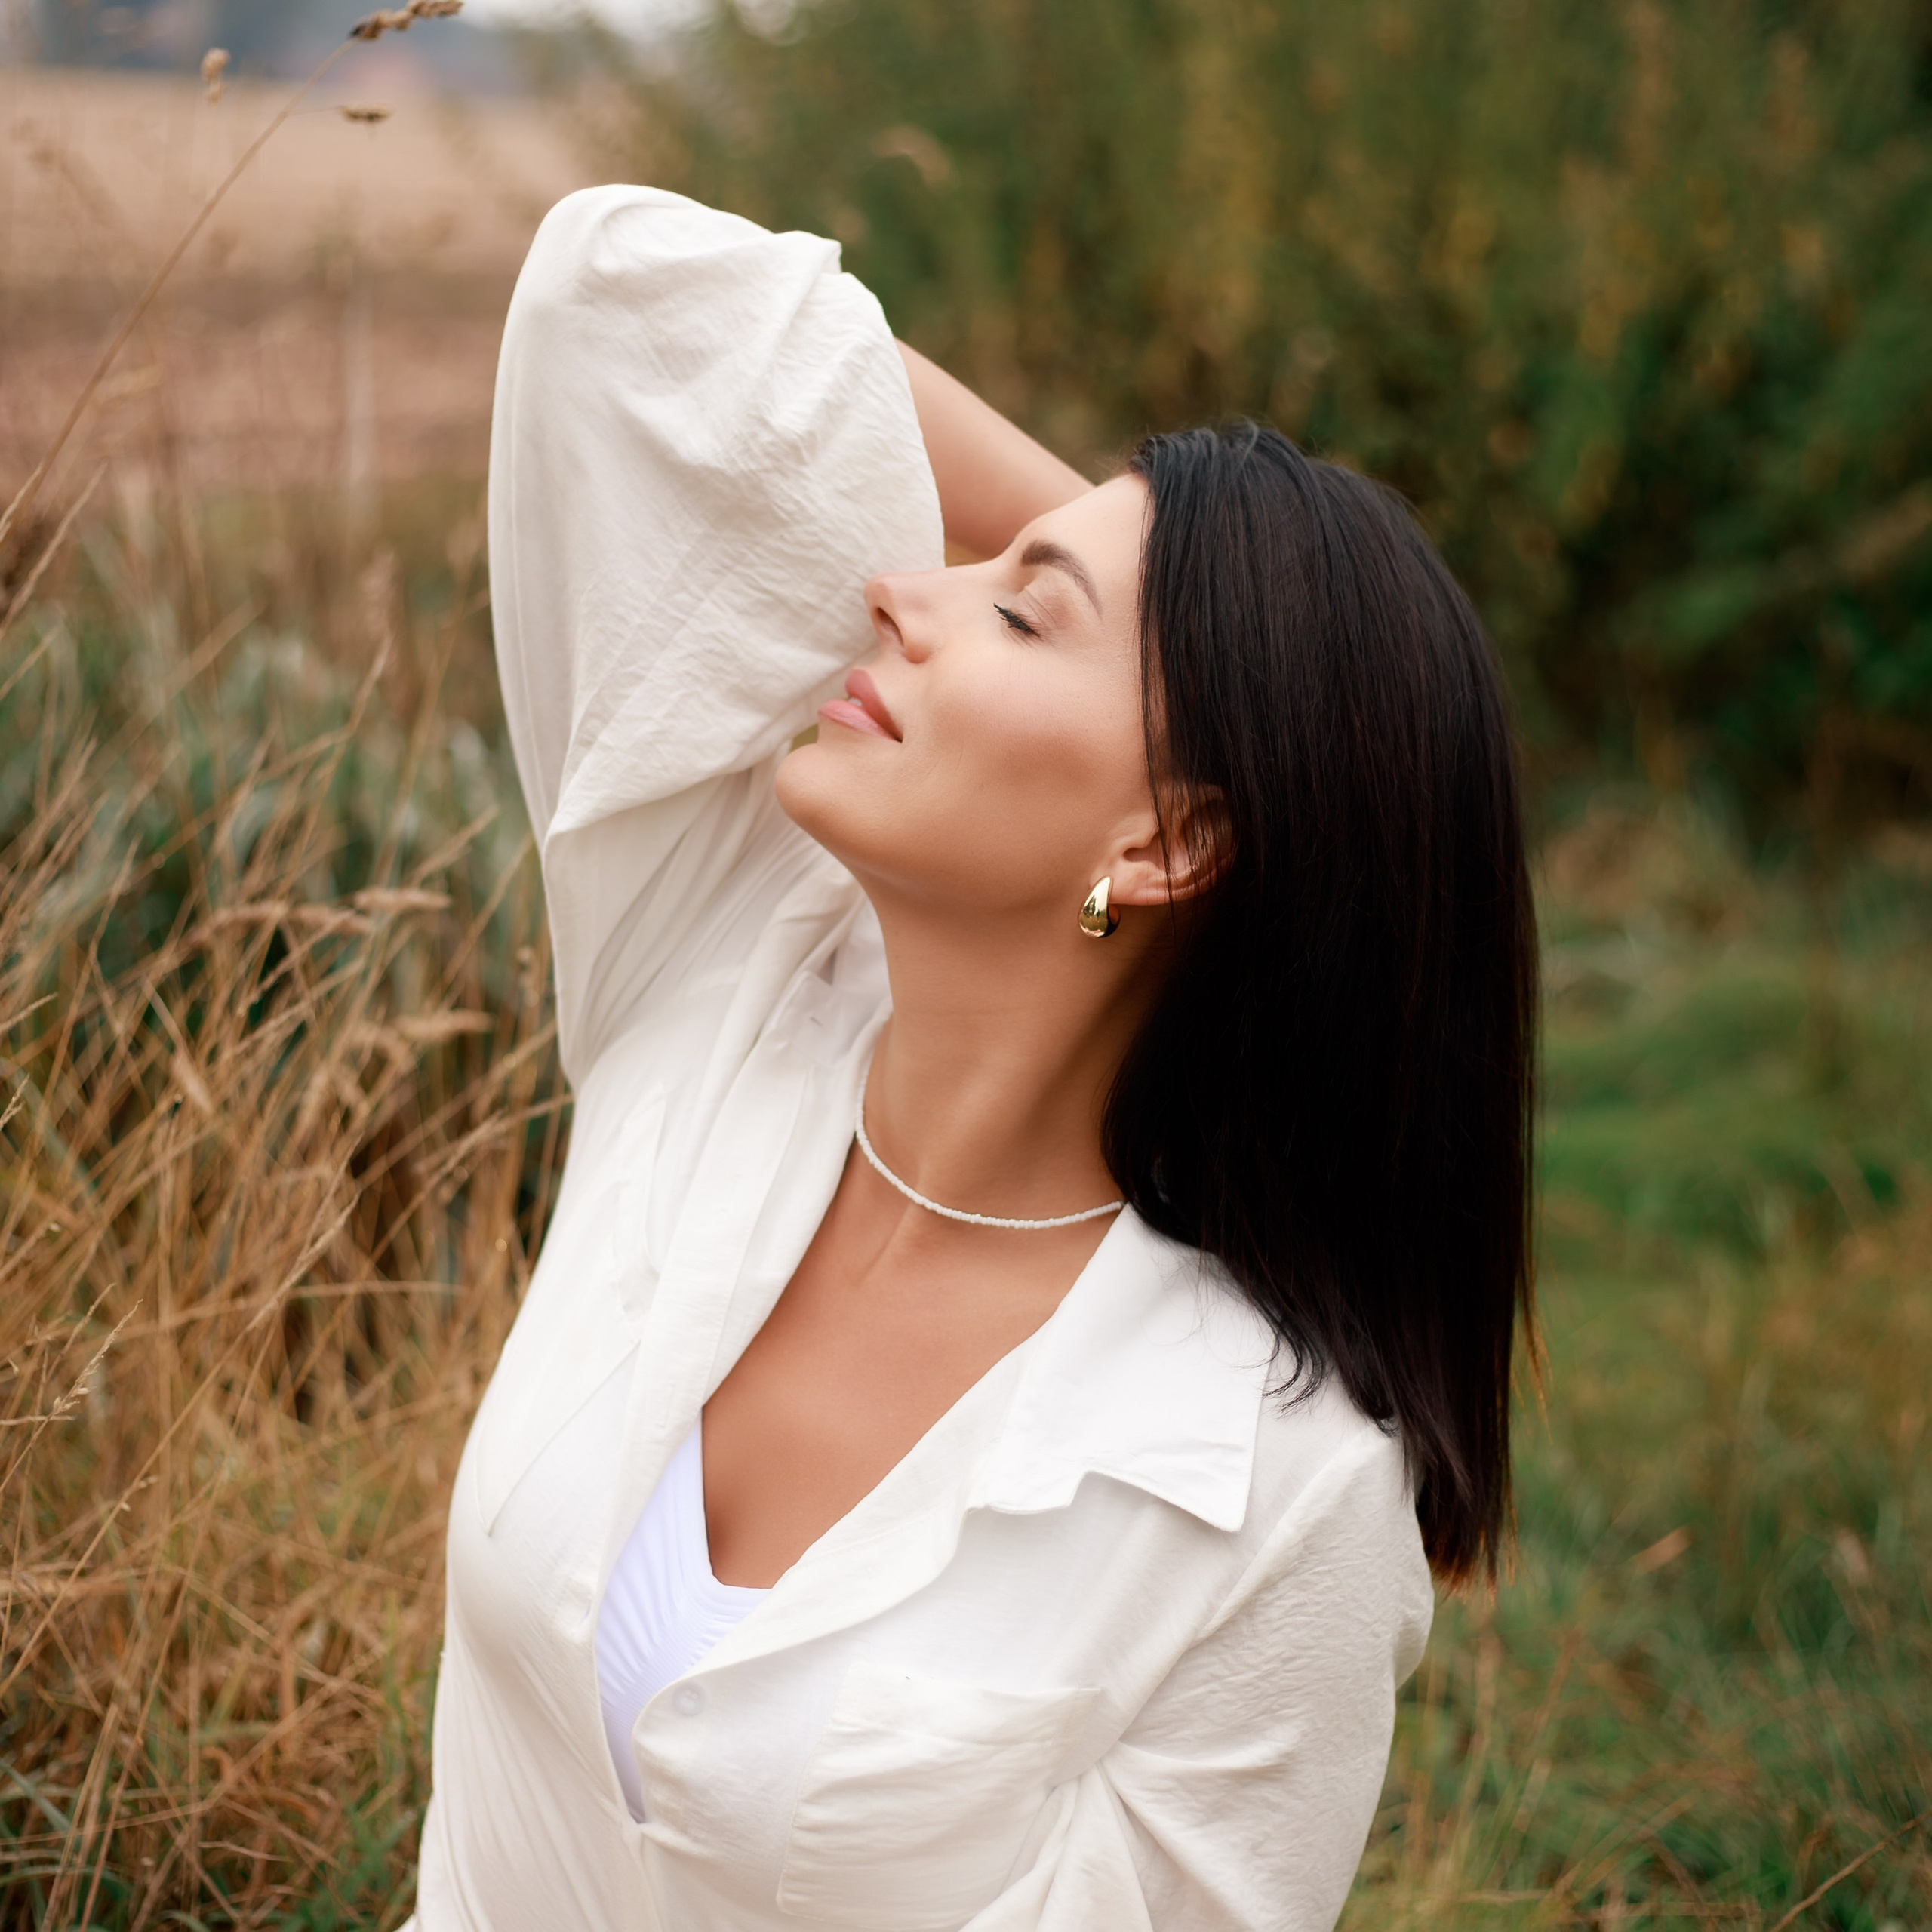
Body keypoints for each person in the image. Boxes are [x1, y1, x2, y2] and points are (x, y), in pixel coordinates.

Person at [405, 183, 1537, 1932]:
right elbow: (614, 292)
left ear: (1169, 841)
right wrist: (1174, 588)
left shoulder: (1273, 1488)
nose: (893, 593)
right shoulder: (724, 969)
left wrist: (1216, 643)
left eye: (1017, 612)